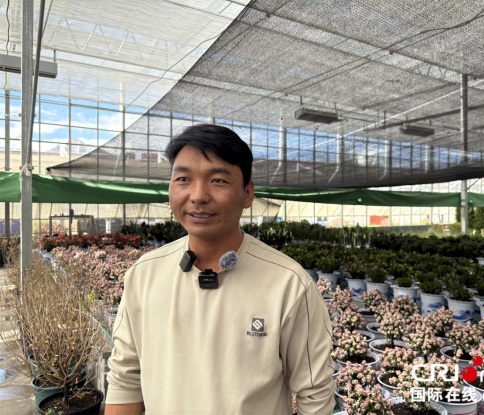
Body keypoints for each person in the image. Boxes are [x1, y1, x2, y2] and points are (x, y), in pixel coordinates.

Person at [104, 124, 335, 415]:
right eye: (183, 179)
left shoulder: (288, 284)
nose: (198, 195)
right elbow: (126, 378)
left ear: (247, 193)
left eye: (218, 180)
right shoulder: (144, 275)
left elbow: (315, 396)